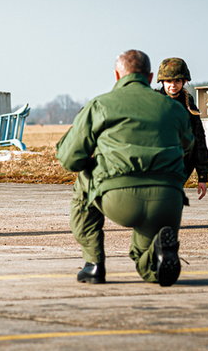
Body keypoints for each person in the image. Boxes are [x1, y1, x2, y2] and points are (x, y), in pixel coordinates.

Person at [56, 50, 194, 286]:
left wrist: (95, 164)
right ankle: (159, 253)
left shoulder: (101, 105)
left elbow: (69, 158)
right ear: (150, 77)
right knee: (146, 260)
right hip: (167, 200)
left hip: (120, 199)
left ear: (117, 75)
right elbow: (187, 146)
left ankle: (94, 264)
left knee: (83, 181)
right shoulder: (173, 109)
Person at [156, 57, 208, 200]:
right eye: (169, 81)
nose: (173, 85)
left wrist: (202, 176)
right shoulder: (152, 103)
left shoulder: (189, 106)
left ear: (184, 81)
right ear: (162, 82)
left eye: (177, 81)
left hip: (181, 163)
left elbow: (199, 141)